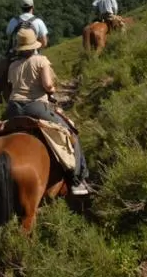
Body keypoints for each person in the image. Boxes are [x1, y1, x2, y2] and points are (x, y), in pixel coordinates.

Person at [5, 27, 91, 196]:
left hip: (13, 109)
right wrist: (51, 91)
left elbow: (11, 88)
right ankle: (77, 179)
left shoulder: (13, 65)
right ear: (33, 45)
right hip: (35, 106)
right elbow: (48, 85)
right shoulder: (41, 60)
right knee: (70, 132)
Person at [0, 0, 50, 100]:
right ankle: (50, 94)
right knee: (48, 72)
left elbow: (9, 35)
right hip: (33, 54)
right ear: (33, 6)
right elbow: (44, 42)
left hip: (14, 54)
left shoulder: (13, 21)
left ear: (21, 7)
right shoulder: (39, 22)